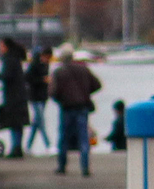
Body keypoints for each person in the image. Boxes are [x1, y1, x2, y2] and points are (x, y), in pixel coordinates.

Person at [50, 45, 102, 176]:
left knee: (63, 138)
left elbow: (52, 92)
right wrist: (86, 93)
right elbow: (97, 85)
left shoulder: (58, 73)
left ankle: (62, 166)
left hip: (66, 108)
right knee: (83, 137)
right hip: (82, 107)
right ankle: (85, 167)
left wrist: (60, 99)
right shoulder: (83, 69)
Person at [0, 36, 29, 157]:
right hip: (20, 95)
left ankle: (15, 148)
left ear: (5, 46)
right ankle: (18, 146)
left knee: (14, 122)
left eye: (1, 46)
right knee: (18, 124)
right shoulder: (16, 57)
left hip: (13, 96)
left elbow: (7, 76)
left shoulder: (8, 59)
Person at [24, 44, 53, 153]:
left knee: (36, 123)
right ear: (44, 55)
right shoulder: (34, 64)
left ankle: (28, 147)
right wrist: (42, 80)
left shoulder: (46, 64)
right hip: (34, 96)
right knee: (41, 121)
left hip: (43, 96)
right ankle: (48, 145)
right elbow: (27, 78)